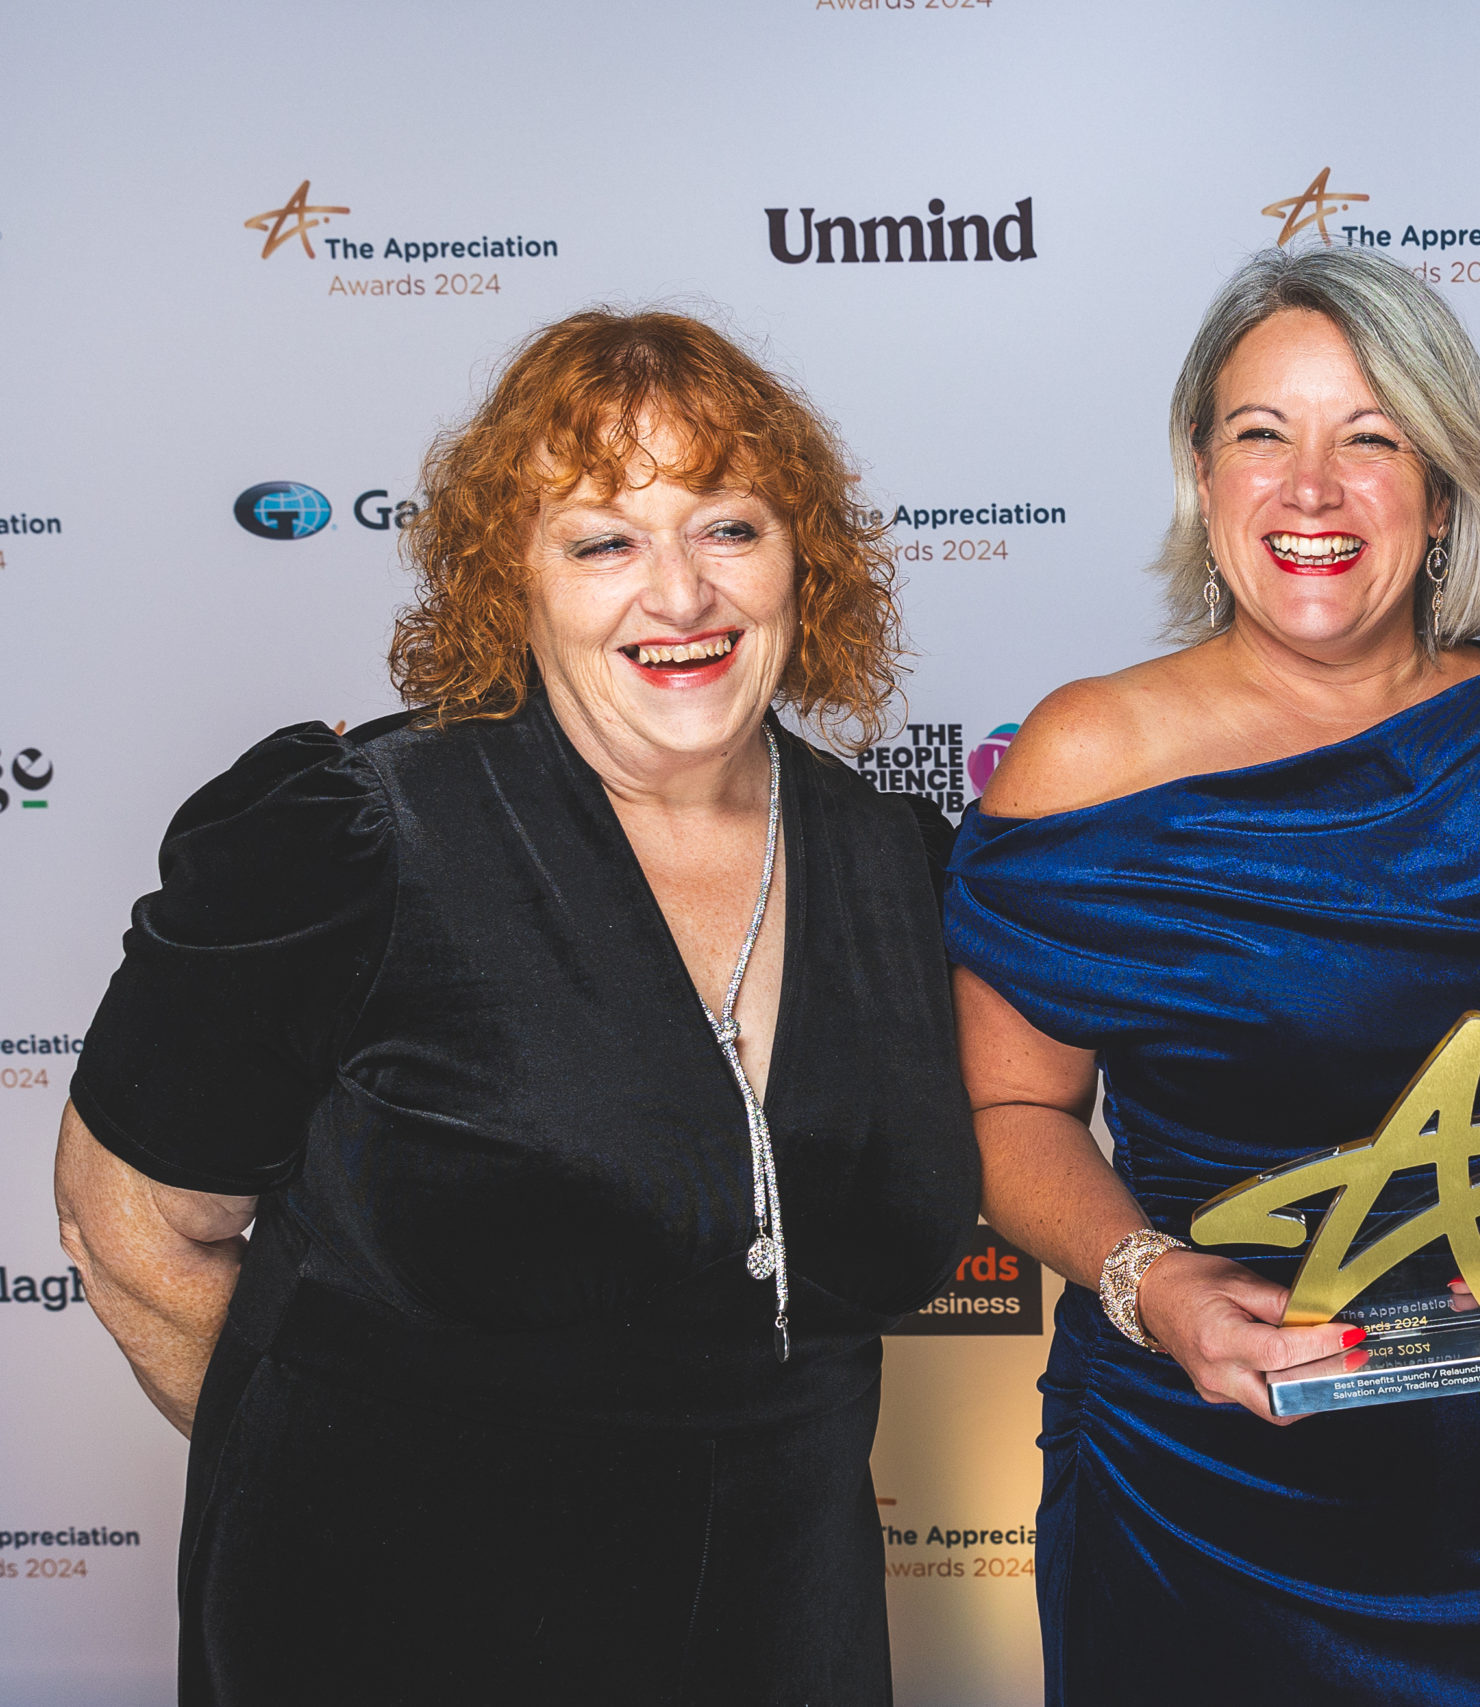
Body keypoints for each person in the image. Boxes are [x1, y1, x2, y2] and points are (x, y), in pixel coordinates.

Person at [52, 310, 980, 1706]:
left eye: (728, 527)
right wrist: (339, 1500)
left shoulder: (904, 867)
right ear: (514, 588)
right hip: (399, 1629)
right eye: (603, 542)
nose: (679, 596)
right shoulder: (359, 835)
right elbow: (131, 1227)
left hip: (790, 1624)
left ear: (805, 562)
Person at [944, 245, 1480, 1702]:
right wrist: (1154, 1284)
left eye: (1371, 438)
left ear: (1449, 484)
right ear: (1202, 481)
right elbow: (1010, 1123)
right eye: (1261, 436)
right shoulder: (1088, 759)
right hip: (1207, 1482)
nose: (1312, 489)